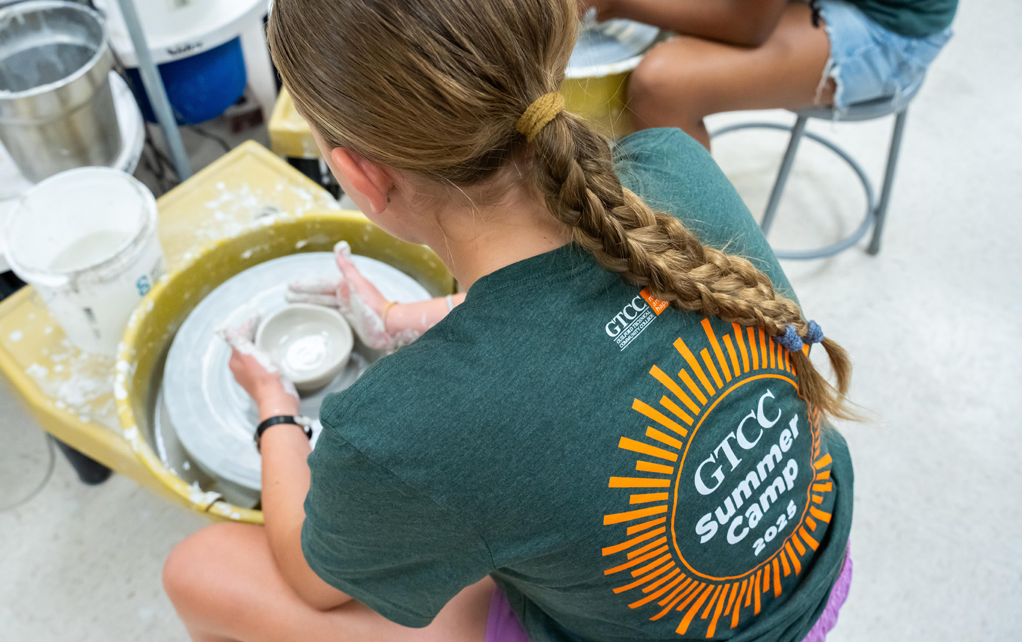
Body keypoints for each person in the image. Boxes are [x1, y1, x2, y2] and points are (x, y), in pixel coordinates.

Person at [161, 1, 856, 641]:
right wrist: (407, 317)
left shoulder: (407, 427)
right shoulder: (676, 169)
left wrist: (275, 407)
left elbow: (312, 578)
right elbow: (581, 321)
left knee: (200, 570)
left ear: (361, 176)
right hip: (813, 572)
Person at [580, 0, 956, 149]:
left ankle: (697, 264)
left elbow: (746, 25)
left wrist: (612, 4)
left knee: (664, 87)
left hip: (892, 28)